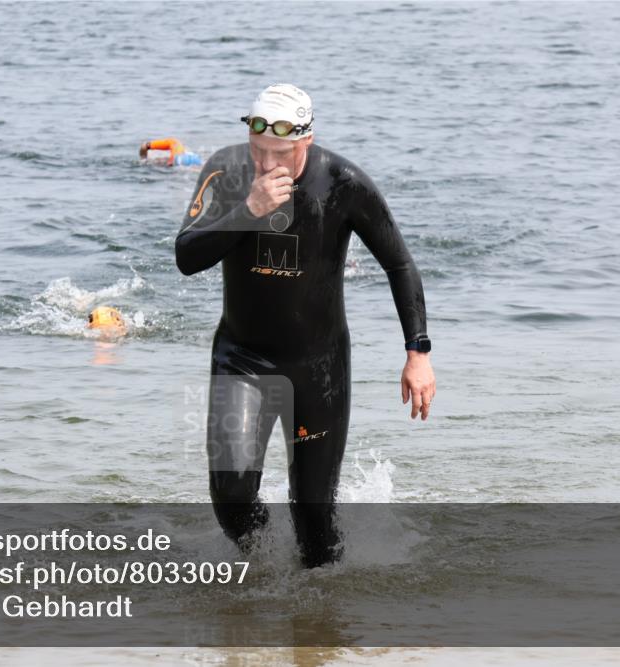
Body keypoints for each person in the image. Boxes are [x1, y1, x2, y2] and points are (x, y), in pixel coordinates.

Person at [175, 83, 436, 568]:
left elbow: (400, 264)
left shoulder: (343, 183)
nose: (268, 165)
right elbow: (186, 256)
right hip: (243, 358)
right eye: (259, 152)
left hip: (318, 366)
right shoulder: (227, 171)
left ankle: (321, 629)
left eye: (281, 153)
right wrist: (248, 210)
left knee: (314, 524)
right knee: (231, 499)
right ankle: (262, 578)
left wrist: (417, 352)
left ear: (306, 143)